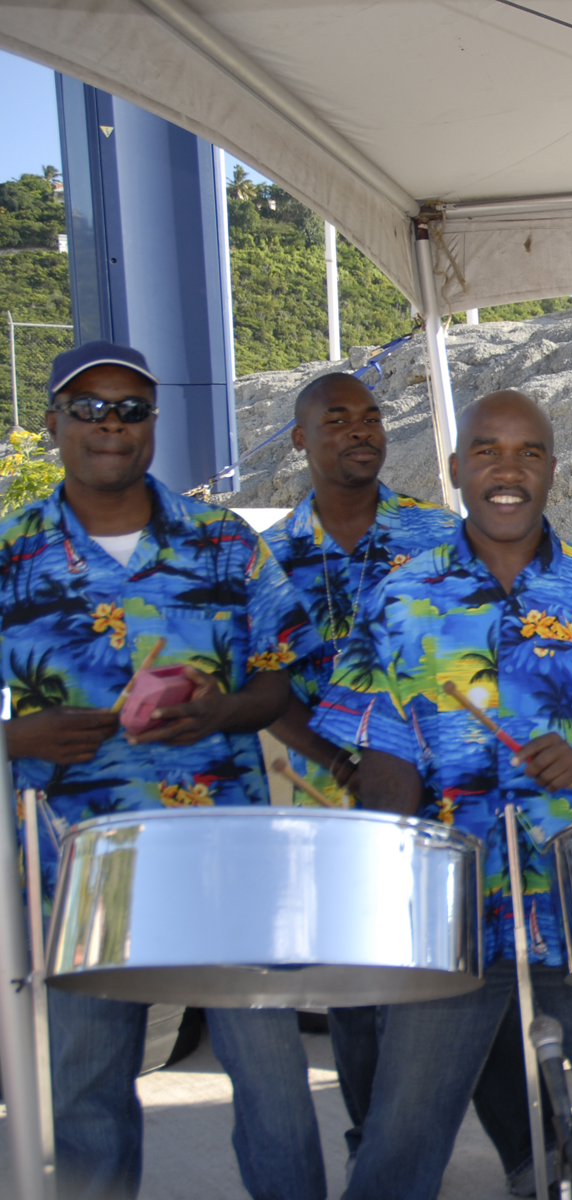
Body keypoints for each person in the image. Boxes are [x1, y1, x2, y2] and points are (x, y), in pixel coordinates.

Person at [311, 390, 572, 1200]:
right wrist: (374, 871)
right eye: (489, 451)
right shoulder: (400, 600)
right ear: (458, 468)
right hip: (455, 913)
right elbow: (388, 756)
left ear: (550, 469)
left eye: (528, 452)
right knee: (400, 1140)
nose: (508, 470)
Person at [261, 372, 572, 1199]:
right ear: (299, 442)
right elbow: (265, 684)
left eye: (372, 418)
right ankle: (373, 1158)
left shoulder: (433, 533)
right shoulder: (266, 556)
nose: (360, 432)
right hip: (329, 804)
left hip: (455, 809)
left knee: (465, 991)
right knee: (362, 1007)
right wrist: (349, 763)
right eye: (336, 419)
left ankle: (542, 1159)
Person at [0, 341, 326, 1200]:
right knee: (89, 1098)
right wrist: (17, 741)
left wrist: (220, 711)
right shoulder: (11, 552)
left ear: (153, 424)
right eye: (90, 408)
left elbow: (281, 675)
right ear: (54, 423)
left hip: (225, 859)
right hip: (80, 870)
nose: (112, 425)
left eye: (131, 409)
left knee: (274, 1089)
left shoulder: (223, 544)